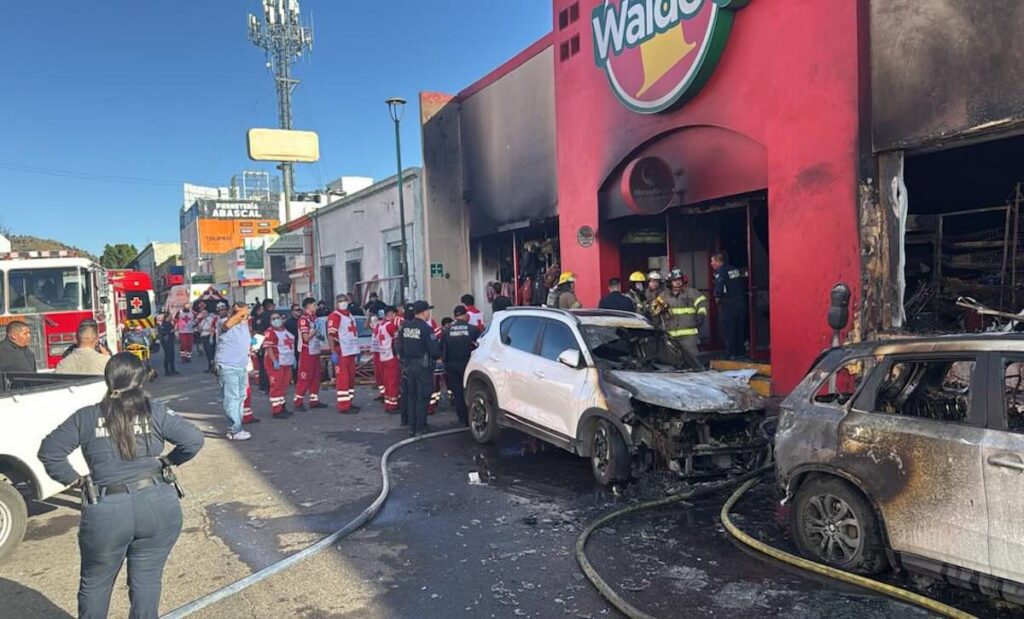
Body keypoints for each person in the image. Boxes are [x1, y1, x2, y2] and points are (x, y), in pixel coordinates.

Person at [38, 353, 204, 619]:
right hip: (157, 503)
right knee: (147, 580)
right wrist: (168, 462)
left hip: (107, 509)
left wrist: (75, 480)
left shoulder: (87, 416)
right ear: (140, 382)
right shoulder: (155, 411)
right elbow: (193, 440)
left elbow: (50, 451)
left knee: (96, 583)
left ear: (109, 380)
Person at [399, 301, 442, 436]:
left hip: (409, 366)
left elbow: (399, 348)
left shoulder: (405, 327)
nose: (429, 313)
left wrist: (405, 361)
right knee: (423, 397)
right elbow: (434, 351)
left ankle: (412, 426)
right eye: (428, 311)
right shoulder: (426, 329)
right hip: (423, 367)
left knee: (412, 396)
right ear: (423, 312)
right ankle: (420, 426)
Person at [655, 268, 707, 368]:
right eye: (675, 280)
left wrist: (701, 314)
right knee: (673, 361)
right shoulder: (664, 295)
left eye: (679, 279)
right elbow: (654, 309)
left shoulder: (691, 293)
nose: (678, 282)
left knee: (693, 359)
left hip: (688, 335)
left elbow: (701, 303)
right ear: (670, 282)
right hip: (670, 335)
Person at [216, 302, 253, 440]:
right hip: (228, 366)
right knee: (231, 398)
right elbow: (226, 326)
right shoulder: (224, 322)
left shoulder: (244, 325)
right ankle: (234, 429)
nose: (245, 316)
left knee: (240, 397)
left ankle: (237, 426)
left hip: (241, 366)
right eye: (242, 313)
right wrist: (238, 313)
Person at [442, 306, 481, 426]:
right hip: (468, 364)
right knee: (471, 390)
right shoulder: (473, 329)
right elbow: (481, 346)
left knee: (457, 393)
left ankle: (462, 419)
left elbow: (443, 350)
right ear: (465, 316)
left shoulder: (447, 331)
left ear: (454, 317)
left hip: (452, 365)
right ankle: (472, 416)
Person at [327, 293, 360, 414]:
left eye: (344, 300)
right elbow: (331, 335)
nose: (343, 302)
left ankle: (349, 402)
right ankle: (343, 406)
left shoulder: (349, 315)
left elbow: (353, 334)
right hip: (341, 351)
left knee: (351, 379)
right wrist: (333, 352)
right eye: (340, 301)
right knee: (343, 379)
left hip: (351, 350)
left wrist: (357, 350)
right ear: (336, 303)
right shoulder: (335, 316)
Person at [711, 253, 749, 359]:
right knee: (739, 328)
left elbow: (719, 289)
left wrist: (718, 299)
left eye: (713, 261)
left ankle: (730, 353)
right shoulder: (735, 270)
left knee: (729, 329)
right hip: (740, 303)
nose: (711, 264)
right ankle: (740, 352)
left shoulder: (720, 273)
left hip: (729, 304)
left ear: (719, 262)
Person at [294, 297, 327, 411]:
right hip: (307, 351)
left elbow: (316, 336)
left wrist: (320, 336)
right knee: (305, 377)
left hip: (316, 350)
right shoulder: (304, 319)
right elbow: (306, 338)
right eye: (314, 305)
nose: (316, 307)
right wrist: (315, 331)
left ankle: (314, 400)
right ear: (308, 306)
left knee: (316, 376)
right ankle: (298, 401)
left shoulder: (314, 319)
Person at [261, 312, 295, 418]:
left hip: (286, 362)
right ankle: (277, 410)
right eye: (273, 318)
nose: (276, 320)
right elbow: (269, 348)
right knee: (276, 385)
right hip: (275, 362)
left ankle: (282, 406)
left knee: (283, 385)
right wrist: (274, 361)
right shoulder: (270, 332)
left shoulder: (285, 331)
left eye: (278, 317)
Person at [376, 306, 401, 413]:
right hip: (391, 356)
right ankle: (392, 405)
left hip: (383, 356)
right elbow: (397, 339)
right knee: (393, 382)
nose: (395, 317)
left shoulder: (380, 325)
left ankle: (388, 403)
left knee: (387, 381)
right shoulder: (390, 326)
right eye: (394, 315)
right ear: (390, 313)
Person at [254, 299, 275, 392]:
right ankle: (268, 386)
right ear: (270, 305)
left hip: (257, 340)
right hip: (267, 341)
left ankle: (262, 385)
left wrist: (254, 346)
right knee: (268, 364)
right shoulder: (270, 316)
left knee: (261, 364)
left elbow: (255, 331)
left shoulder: (258, 317)